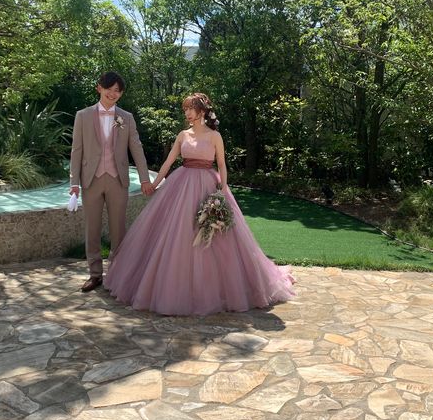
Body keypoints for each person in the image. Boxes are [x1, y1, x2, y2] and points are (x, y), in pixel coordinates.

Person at [104, 92, 295, 316]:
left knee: (215, 236)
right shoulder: (182, 135)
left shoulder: (215, 136)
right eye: (185, 109)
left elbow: (221, 164)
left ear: (202, 111)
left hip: (208, 186)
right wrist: (154, 184)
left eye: (190, 108)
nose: (186, 113)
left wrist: (222, 190)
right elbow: (168, 162)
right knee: (179, 232)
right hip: (181, 185)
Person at [69, 72, 155, 293]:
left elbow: (137, 149)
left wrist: (145, 179)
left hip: (118, 180)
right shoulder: (83, 116)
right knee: (92, 228)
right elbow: (76, 151)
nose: (113, 93)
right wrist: (74, 183)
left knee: (119, 229)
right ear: (99, 88)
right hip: (91, 180)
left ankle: (117, 274)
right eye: (109, 88)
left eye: (118, 90)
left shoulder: (126, 117)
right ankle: (95, 274)